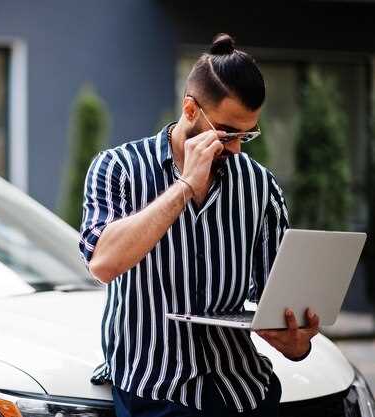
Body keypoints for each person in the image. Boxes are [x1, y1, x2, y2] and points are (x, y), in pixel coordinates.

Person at [78, 33, 320, 417]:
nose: (236, 148)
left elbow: (279, 299)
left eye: (246, 134)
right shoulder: (117, 168)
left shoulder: (260, 185)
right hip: (154, 391)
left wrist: (297, 342)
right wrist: (185, 186)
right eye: (226, 132)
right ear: (190, 110)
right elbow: (103, 263)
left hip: (244, 391)